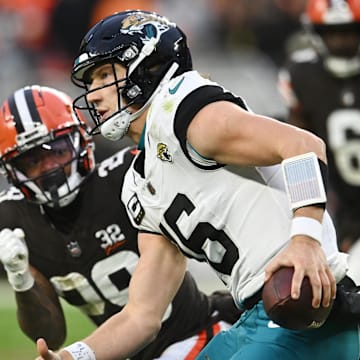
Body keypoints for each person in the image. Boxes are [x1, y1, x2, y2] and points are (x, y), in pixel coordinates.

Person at [36, 10, 360, 360]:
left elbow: (303, 146)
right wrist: (74, 356)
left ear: (149, 66)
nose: (94, 94)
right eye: (91, 82)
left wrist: (306, 239)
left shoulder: (181, 111)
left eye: (103, 75)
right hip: (255, 317)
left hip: (306, 303)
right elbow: (141, 316)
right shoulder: (139, 182)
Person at [0, 85, 241, 360]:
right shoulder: (13, 217)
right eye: (31, 160)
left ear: (80, 141)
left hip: (193, 334)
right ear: (12, 170)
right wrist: (21, 280)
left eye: (56, 150)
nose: (49, 168)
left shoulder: (128, 177)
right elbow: (51, 335)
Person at [278, 0, 360, 254]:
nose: (341, 42)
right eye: (331, 34)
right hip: (345, 209)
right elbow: (300, 149)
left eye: (349, 32)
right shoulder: (302, 75)